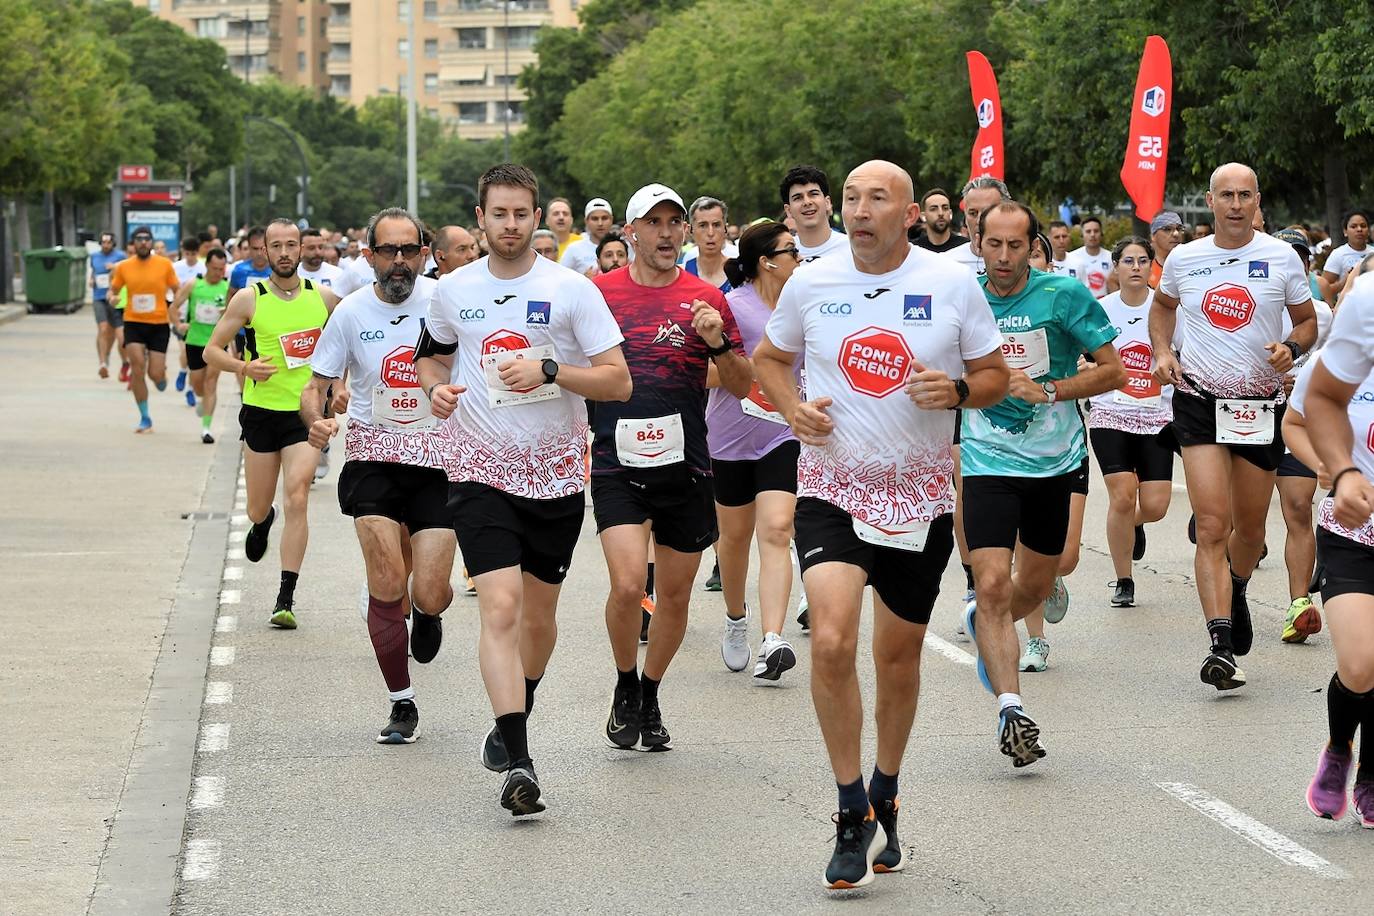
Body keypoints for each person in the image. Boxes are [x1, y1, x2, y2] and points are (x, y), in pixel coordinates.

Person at [753, 161, 1008, 889]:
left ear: (908, 213)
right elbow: (769, 360)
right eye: (851, 199)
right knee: (831, 638)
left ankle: (885, 785)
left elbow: (993, 377)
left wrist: (957, 389)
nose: (860, 211)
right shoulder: (812, 281)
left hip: (917, 498)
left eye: (877, 200)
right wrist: (791, 407)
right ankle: (848, 810)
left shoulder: (952, 283)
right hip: (832, 487)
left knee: (896, 657)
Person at [416, 164, 631, 814]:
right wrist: (436, 389)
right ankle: (520, 758)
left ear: (537, 217)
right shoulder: (453, 291)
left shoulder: (571, 290)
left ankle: (520, 701)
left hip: (557, 477)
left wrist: (548, 369)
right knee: (501, 608)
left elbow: (617, 382)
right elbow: (432, 354)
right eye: (498, 213)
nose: (510, 225)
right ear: (479, 218)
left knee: (538, 619)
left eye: (521, 214)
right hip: (479, 472)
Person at [591, 182, 751, 756]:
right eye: (652, 223)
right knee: (630, 583)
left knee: (677, 597)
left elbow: (739, 384)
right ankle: (623, 682)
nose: (665, 233)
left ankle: (651, 693)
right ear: (630, 232)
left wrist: (716, 344)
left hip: (687, 466)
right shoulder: (600, 293)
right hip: (615, 463)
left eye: (673, 222)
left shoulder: (707, 297)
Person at [961, 201, 1124, 761]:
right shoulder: (961, 297)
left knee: (1031, 586)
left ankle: (989, 623)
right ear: (977, 243)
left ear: (1032, 246)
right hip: (984, 461)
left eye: (1015, 245)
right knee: (991, 585)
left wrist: (1050, 389)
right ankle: (1012, 709)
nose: (1004, 257)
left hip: (1053, 463)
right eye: (993, 244)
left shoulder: (1063, 296)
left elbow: (1114, 370)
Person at [1150, 162, 1318, 690]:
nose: (1236, 204)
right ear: (1211, 200)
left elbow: (1308, 322)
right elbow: (1162, 309)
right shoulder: (1185, 258)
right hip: (1200, 400)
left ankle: (1238, 584)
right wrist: (1161, 351)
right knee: (1212, 524)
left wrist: (1289, 348)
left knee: (1249, 530)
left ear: (1257, 200)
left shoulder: (1281, 256)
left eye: (1245, 195)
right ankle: (1220, 644)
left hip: (1258, 405)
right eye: (1226, 195)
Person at [304, 207, 454, 747]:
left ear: (423, 254)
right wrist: (317, 420)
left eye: (408, 251)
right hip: (372, 456)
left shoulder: (445, 302)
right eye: (387, 251)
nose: (398, 262)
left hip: (438, 459)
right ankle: (401, 701)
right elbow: (315, 384)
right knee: (385, 579)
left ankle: (427, 610)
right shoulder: (348, 312)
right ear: (368, 256)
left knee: (430, 590)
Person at [205, 219, 341, 629]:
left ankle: (286, 597)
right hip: (261, 412)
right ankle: (263, 521)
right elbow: (212, 351)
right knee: (258, 505)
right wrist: (244, 365)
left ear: (302, 249)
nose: (284, 252)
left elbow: (348, 347)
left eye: (291, 245)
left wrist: (342, 386)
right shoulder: (250, 298)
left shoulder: (326, 299)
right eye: (276, 246)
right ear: (263, 251)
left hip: (305, 413)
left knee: (298, 493)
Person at [1288, 270, 1374, 827]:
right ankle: (1340, 747)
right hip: (1355, 529)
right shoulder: (1351, 344)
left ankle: (1371, 772)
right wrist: (1337, 470)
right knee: (1363, 663)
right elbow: (1304, 415)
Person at [708, 222, 803, 682]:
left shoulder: (802, 306)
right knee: (733, 540)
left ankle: (772, 639)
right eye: (791, 251)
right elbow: (707, 374)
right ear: (767, 260)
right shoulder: (730, 305)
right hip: (729, 439)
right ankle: (735, 619)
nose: (798, 258)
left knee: (778, 529)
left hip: (782, 435)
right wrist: (750, 369)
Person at [1086, 237, 1177, 608]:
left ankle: (1132, 524)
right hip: (1110, 411)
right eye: (1128, 260)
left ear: (1151, 266)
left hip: (1157, 415)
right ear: (1116, 267)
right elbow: (1082, 356)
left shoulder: (1168, 309)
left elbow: (1183, 352)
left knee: (1155, 506)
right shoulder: (1100, 310)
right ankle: (1124, 579)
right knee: (1122, 496)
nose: (1136, 267)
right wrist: (1085, 367)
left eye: (1143, 260)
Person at [106, 226, 181, 433]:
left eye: (147, 239)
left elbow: (177, 289)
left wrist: (177, 307)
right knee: (137, 368)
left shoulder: (164, 265)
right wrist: (112, 299)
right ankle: (145, 417)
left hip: (158, 324)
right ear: (133, 244)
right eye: (139, 239)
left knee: (154, 373)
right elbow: (113, 291)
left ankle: (161, 377)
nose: (143, 243)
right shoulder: (124, 267)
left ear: (151, 242)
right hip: (133, 323)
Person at [170, 247, 230, 443]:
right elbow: (174, 307)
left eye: (222, 269)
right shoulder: (193, 284)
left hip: (217, 343)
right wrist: (178, 324)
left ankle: (206, 429)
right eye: (215, 268)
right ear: (206, 266)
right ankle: (200, 399)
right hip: (195, 341)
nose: (218, 273)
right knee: (198, 385)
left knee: (211, 383)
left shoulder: (227, 288)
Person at [781, 165, 850, 261]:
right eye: (798, 198)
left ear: (827, 203)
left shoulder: (853, 249)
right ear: (788, 210)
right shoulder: (782, 256)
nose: (807, 202)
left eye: (813, 194)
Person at [90, 232, 128, 381]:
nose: (106, 245)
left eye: (108, 243)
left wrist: (115, 267)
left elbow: (126, 271)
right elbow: (94, 272)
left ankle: (113, 357)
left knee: (114, 334)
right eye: (103, 242)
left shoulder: (120, 256)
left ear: (113, 243)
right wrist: (92, 280)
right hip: (98, 297)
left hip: (114, 297)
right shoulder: (94, 256)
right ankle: (102, 363)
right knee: (103, 328)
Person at [1319, 209, 1370, 306]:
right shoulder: (1338, 254)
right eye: (1353, 226)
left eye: (1363, 226)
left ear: (1368, 231)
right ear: (1345, 231)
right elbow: (1322, 290)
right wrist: (1344, 282)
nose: (1359, 229)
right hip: (1348, 308)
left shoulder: (1372, 253)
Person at [683, 196, 733, 292]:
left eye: (716, 225)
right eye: (703, 225)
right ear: (690, 230)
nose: (710, 233)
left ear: (725, 229)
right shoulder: (681, 273)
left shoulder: (743, 275)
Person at [559, 198, 615, 276]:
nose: (600, 223)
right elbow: (560, 277)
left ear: (612, 220)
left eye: (604, 218)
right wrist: (583, 280)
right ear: (586, 221)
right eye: (595, 219)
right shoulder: (574, 249)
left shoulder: (625, 246)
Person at [1066, 216, 1112, 298]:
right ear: (1082, 235)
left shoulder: (1111, 258)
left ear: (1101, 233)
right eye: (1088, 231)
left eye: (1096, 231)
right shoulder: (1071, 257)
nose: (1092, 234)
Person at [912, 188, 964, 253]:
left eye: (945, 208)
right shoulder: (915, 250)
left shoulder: (964, 246)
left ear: (950, 213)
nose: (941, 213)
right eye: (933, 209)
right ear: (923, 216)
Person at [1148, 211, 1185, 288]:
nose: (1176, 234)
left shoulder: (1191, 263)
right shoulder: (1141, 266)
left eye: (1179, 229)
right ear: (1153, 235)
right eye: (1167, 229)